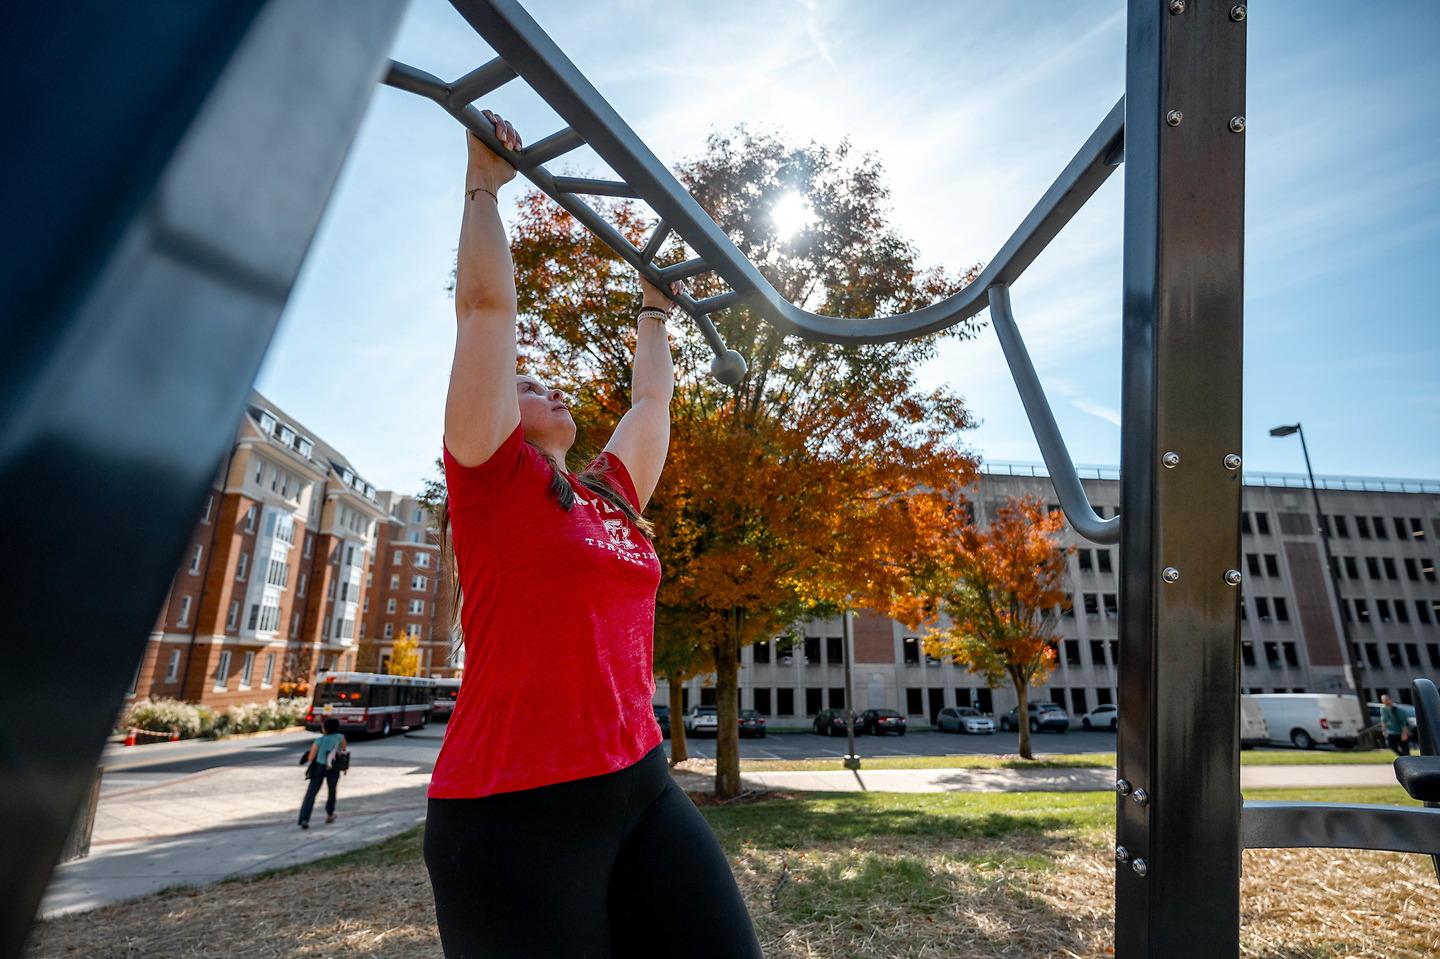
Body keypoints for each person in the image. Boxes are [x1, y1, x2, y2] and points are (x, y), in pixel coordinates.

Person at [422, 111, 764, 959]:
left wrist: (653, 308)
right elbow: (487, 313)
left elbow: (652, 407)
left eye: (547, 377)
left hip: (639, 783)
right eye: (528, 381)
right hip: (511, 809)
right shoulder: (489, 476)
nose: (546, 385)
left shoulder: (608, 493)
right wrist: (484, 185)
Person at [298, 717, 348, 829]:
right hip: (334, 768)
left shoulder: (319, 740)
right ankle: (330, 814)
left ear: (325, 728)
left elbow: (311, 757)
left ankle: (304, 819)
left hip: (319, 768)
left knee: (311, 794)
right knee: (332, 792)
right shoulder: (341, 737)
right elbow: (343, 751)